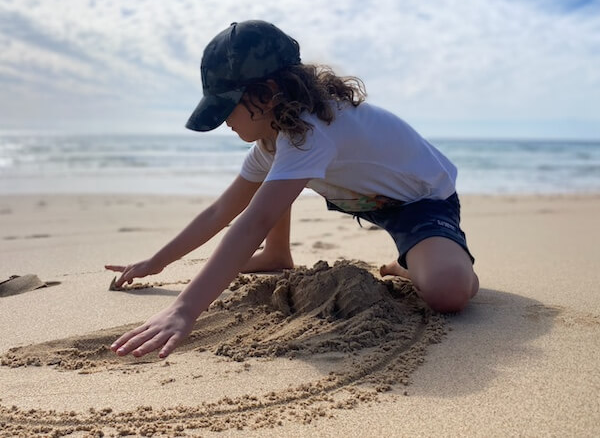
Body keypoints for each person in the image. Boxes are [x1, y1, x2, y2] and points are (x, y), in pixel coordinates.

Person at [106, 20, 478, 360]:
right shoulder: (273, 141)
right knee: (271, 184)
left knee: (448, 293)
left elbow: (255, 219)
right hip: (367, 198)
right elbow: (221, 212)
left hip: (423, 200)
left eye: (227, 109)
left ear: (267, 94)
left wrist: (184, 310)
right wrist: (157, 262)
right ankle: (276, 254)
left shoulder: (311, 131)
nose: (223, 123)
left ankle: (415, 260)